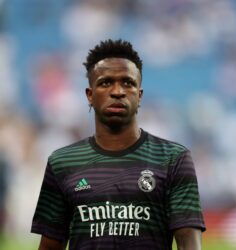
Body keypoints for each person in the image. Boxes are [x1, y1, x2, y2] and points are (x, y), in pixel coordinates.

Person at [31, 39, 206, 249]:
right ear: (89, 95)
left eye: (128, 83)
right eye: (106, 83)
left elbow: (189, 244)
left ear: (139, 95)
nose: (117, 91)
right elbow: (49, 246)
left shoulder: (173, 158)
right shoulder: (62, 162)